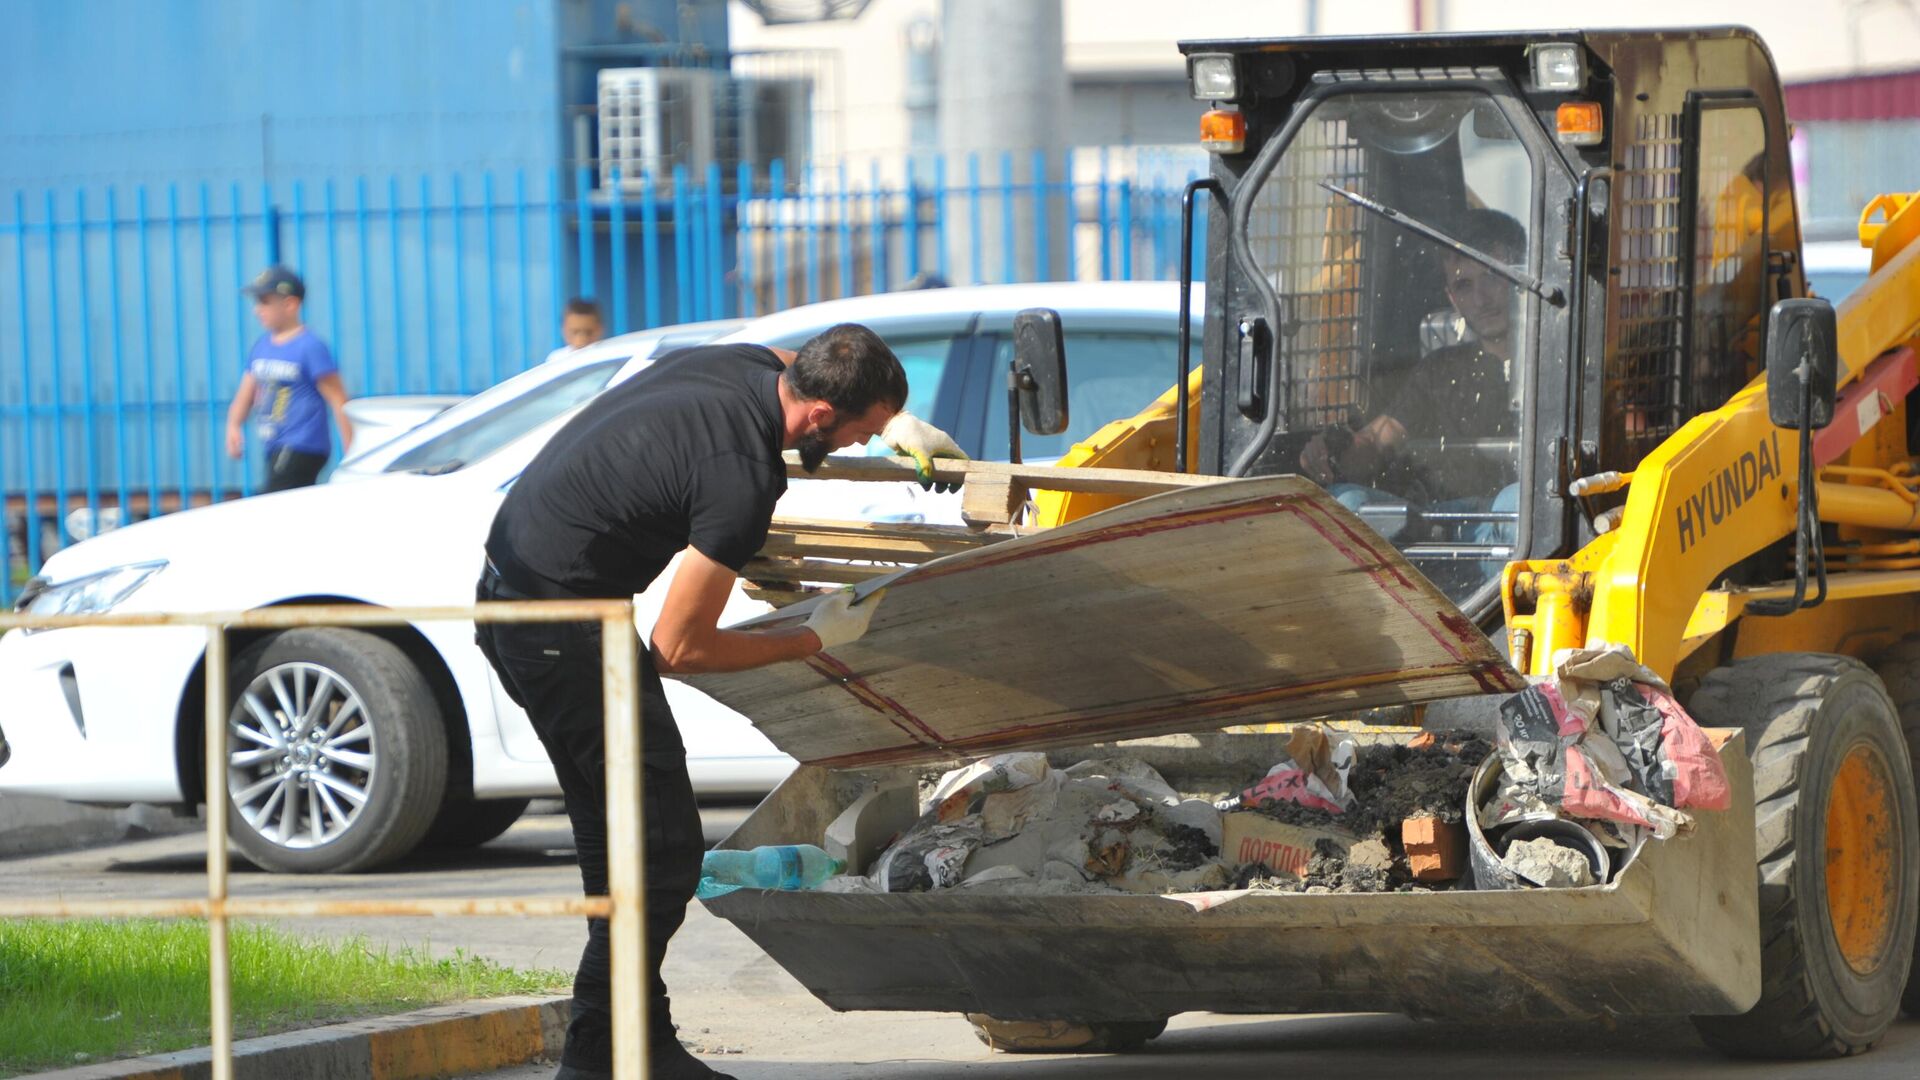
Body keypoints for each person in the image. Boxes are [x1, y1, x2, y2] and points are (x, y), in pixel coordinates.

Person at [475, 324, 963, 1080]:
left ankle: (634, 1045)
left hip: (522, 593)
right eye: (862, 435)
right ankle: (594, 1056)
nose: (864, 448)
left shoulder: (742, 366)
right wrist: (814, 640)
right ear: (819, 419)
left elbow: (795, 357)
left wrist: (897, 417)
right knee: (663, 852)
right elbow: (680, 647)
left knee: (628, 845)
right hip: (558, 625)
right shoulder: (741, 477)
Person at [1299, 209, 1525, 538]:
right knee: (1343, 503)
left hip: (1518, 536)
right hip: (1442, 527)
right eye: (1464, 285)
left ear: (1522, 276)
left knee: (1514, 501)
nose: (1481, 298)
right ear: (1451, 297)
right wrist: (1333, 452)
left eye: (1493, 276)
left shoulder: (1556, 363)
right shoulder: (1440, 370)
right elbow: (1377, 443)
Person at [225, 266, 354, 491]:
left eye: (265, 302)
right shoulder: (262, 346)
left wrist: (353, 450)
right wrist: (234, 425)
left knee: (269, 502)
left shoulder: (310, 346)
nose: (257, 310)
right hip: (274, 445)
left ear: (290, 304)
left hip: (303, 445)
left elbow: (338, 399)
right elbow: (246, 391)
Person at [545, 297, 607, 364]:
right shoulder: (555, 360)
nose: (581, 339)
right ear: (563, 329)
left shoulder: (609, 357)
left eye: (588, 332)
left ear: (600, 329)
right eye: (575, 332)